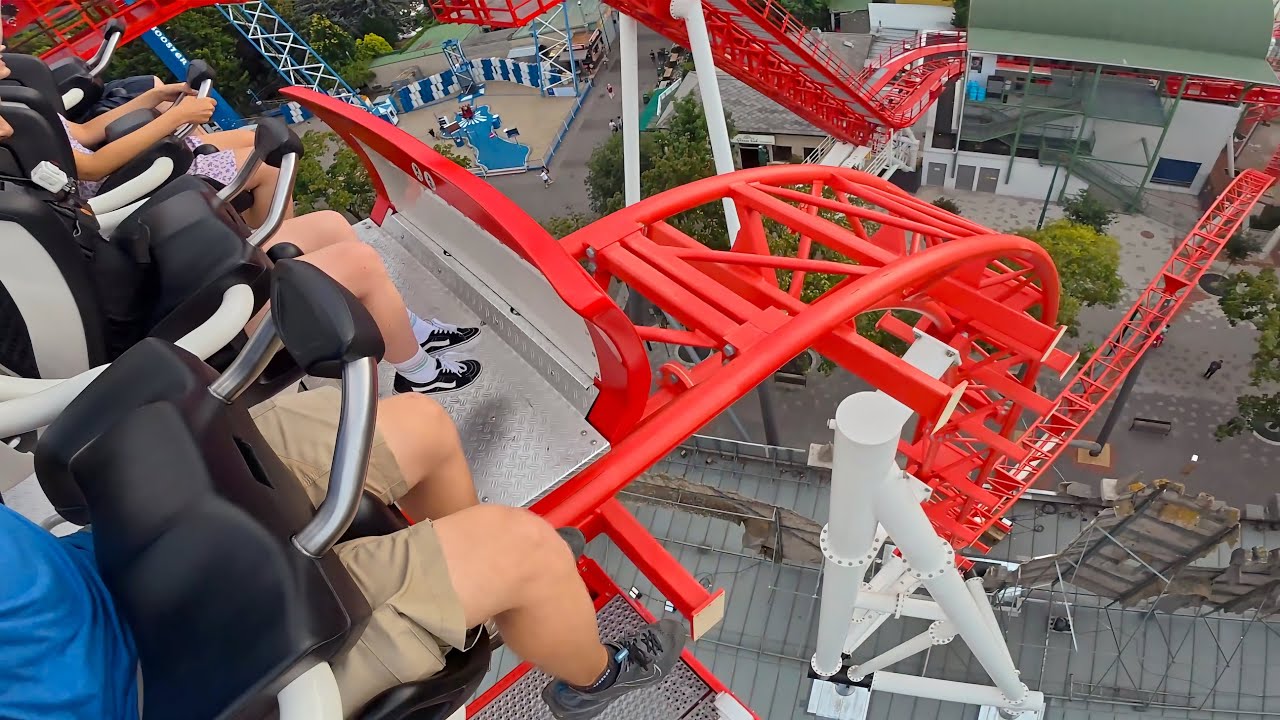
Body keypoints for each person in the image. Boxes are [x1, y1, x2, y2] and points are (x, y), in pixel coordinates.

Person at [0, 386, 686, 720]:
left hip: (118, 549)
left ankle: (492, 592)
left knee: (419, 425)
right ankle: (596, 678)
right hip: (174, 679)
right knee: (529, 552)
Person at [0, 53, 283, 229]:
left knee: (251, 137)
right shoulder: (8, 123)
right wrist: (173, 119)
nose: (3, 48)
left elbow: (83, 133)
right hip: (123, 184)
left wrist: (154, 98)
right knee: (271, 165)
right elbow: (90, 167)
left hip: (136, 163)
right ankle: (264, 248)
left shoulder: (11, 103)